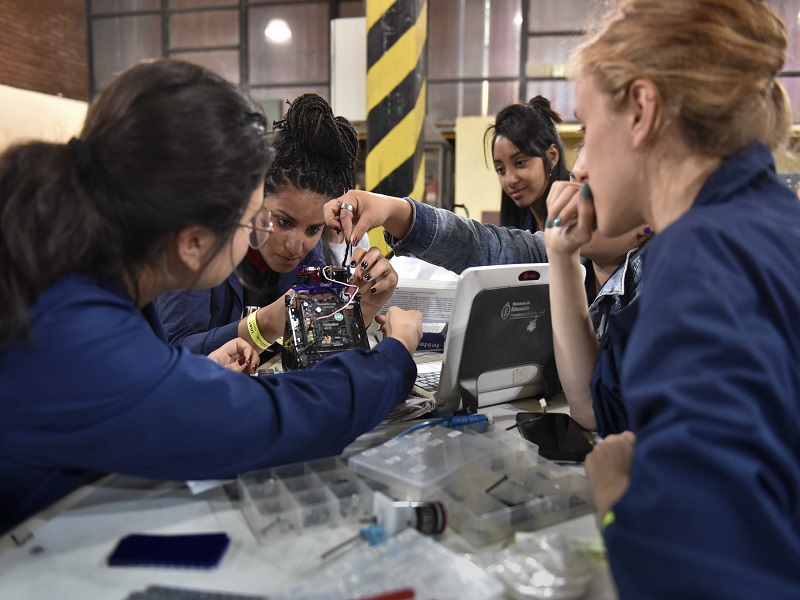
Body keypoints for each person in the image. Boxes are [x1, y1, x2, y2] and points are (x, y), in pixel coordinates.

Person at [0, 59, 423, 535]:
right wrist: (392, 358)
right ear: (193, 243)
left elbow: (147, 381)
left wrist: (192, 376)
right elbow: (273, 422)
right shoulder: (78, 335)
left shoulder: (73, 275)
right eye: (256, 222)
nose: (277, 239)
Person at [546, 0, 800, 597]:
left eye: (585, 127)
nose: (579, 166)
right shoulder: (760, 224)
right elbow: (606, 404)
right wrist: (562, 258)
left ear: (640, 109)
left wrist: (616, 500)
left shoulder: (703, 261)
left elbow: (704, 574)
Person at [322, 157, 650, 432]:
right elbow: (484, 245)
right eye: (576, 179)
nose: (573, 196)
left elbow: (594, 408)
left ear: (648, 217)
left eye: (594, 186)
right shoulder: (566, 256)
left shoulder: (653, 285)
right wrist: (394, 211)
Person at [156, 93, 398, 356]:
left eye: (313, 229)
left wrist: (364, 307)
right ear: (253, 196)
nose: (295, 246)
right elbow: (173, 353)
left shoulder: (308, 254)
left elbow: (315, 346)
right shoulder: (196, 240)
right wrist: (262, 325)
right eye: (283, 222)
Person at [488, 95, 570, 232]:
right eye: (501, 170)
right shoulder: (520, 224)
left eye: (520, 163)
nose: (510, 180)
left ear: (552, 156)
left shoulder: (578, 220)